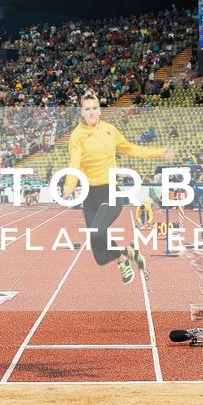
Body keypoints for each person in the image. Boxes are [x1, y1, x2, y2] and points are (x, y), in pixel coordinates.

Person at [67, 92, 173, 283]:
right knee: (99, 257)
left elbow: (132, 149)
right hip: (90, 195)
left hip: (110, 190)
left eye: (94, 108)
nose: (91, 112)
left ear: (100, 110)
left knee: (99, 230)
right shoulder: (76, 136)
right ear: (82, 112)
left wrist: (159, 152)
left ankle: (126, 256)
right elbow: (74, 164)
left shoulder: (110, 131)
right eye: (87, 109)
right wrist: (69, 186)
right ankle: (125, 255)